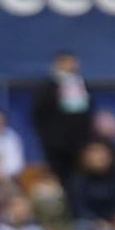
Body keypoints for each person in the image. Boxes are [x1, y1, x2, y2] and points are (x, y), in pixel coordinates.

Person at [31, 52, 93, 184]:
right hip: (55, 146)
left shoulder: (81, 85)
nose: (72, 66)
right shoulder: (47, 87)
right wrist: (49, 137)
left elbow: (88, 112)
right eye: (68, 62)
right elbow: (38, 113)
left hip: (79, 144)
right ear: (59, 63)